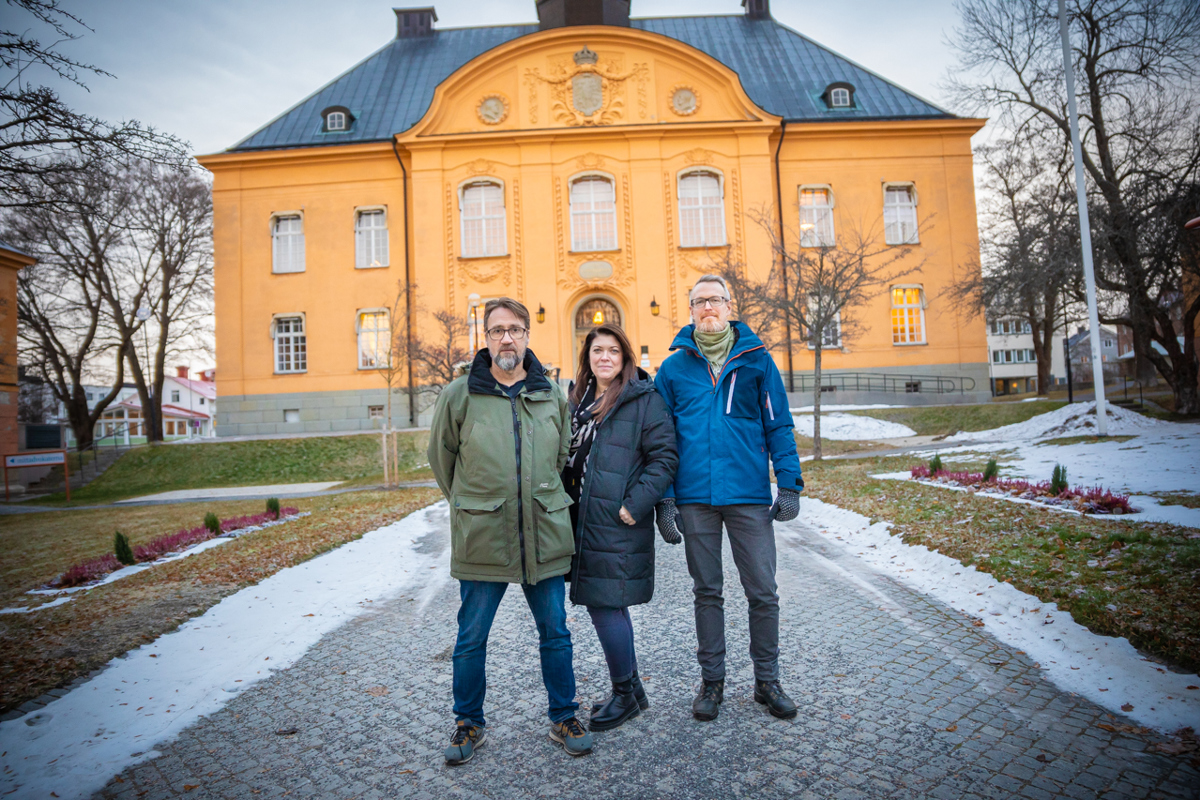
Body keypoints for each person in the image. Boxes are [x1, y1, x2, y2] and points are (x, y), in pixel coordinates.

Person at [428, 297, 593, 764]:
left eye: (515, 330)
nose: (507, 338)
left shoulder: (550, 393)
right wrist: (474, 505)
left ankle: (564, 715)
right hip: (485, 535)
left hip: (542, 531)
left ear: (526, 336)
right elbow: (443, 462)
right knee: (471, 637)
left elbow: (561, 455)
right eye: (498, 329)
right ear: (485, 337)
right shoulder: (459, 395)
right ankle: (468, 724)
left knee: (556, 632)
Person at [653, 274, 804, 722]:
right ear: (692, 310)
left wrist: (790, 484)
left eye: (715, 300)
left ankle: (767, 681)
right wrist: (665, 498)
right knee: (707, 592)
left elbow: (779, 424)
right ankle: (712, 683)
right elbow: (660, 438)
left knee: (763, 591)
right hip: (696, 498)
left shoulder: (757, 361)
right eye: (699, 302)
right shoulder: (674, 368)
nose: (708, 308)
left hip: (749, 497)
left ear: (729, 304)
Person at [561, 324, 678, 732]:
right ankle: (633, 690)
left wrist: (636, 504)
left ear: (625, 357)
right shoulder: (579, 399)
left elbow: (664, 458)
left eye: (613, 350)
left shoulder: (643, 400)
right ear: (588, 357)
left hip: (617, 520)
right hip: (582, 519)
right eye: (597, 351)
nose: (605, 357)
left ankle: (625, 694)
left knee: (605, 604)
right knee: (608, 603)